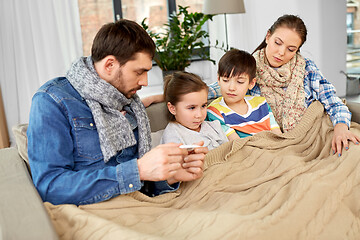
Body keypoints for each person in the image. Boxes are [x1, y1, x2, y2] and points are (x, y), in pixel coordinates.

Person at [27, 19, 208, 206]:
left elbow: (142, 185)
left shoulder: (130, 104)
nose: (145, 81)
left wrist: (170, 176)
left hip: (143, 206)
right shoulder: (52, 101)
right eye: (139, 72)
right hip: (96, 214)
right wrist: (137, 170)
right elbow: (50, 187)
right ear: (109, 65)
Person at [206, 14, 360, 156]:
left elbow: (332, 100)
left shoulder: (306, 68)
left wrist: (341, 127)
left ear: (297, 50)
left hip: (319, 130)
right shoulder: (248, 69)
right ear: (268, 36)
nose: (281, 52)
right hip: (282, 143)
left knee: (353, 153)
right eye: (277, 43)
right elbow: (221, 85)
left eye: (290, 49)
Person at [207, 49, 282, 139]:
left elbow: (278, 134)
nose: (231, 88)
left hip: (273, 147)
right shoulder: (214, 111)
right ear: (218, 79)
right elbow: (236, 143)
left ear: (251, 84)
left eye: (240, 82)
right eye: (225, 80)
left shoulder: (260, 104)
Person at [160, 71, 228, 150]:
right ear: (172, 109)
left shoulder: (215, 127)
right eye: (192, 108)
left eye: (203, 106)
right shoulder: (172, 137)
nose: (199, 115)